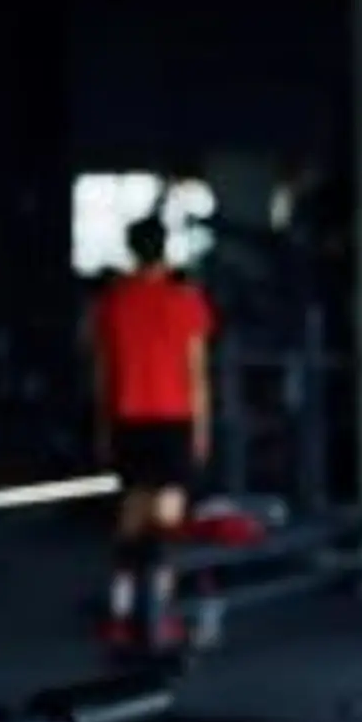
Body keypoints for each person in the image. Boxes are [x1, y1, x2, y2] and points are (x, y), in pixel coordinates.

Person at [89, 214, 215, 650]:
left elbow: (103, 375)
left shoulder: (112, 302)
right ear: (166, 250)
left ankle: (121, 611)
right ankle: (159, 615)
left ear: (131, 250)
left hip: (128, 419)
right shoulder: (187, 301)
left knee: (131, 515)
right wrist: (202, 430)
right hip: (173, 419)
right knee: (168, 521)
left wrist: (103, 428)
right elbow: (196, 373)